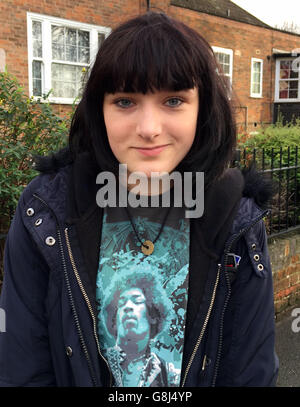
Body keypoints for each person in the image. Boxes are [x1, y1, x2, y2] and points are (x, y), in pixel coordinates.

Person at [0, 11, 278, 387]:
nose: (149, 129)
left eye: (174, 101)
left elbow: (250, 373)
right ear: (100, 109)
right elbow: (22, 365)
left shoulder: (237, 221)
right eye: (126, 102)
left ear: (203, 109)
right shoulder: (47, 211)